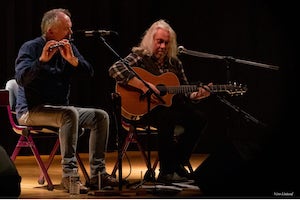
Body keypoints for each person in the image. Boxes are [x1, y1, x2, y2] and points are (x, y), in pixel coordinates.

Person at [14, 8, 118, 193]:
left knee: (100, 116)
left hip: (60, 110)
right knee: (68, 114)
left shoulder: (69, 46)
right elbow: (22, 79)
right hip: (32, 111)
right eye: (67, 28)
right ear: (51, 31)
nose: (71, 32)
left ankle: (97, 174)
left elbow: (89, 73)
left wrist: (73, 60)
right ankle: (69, 176)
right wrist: (41, 61)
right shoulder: (30, 48)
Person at [109, 19, 212, 183]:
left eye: (167, 43)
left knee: (199, 118)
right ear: (151, 40)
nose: (163, 47)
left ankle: (177, 162)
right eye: (159, 42)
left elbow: (184, 89)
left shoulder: (175, 63)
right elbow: (115, 69)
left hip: (167, 109)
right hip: (143, 111)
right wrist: (144, 86)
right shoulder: (140, 57)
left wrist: (195, 96)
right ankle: (166, 171)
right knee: (167, 116)